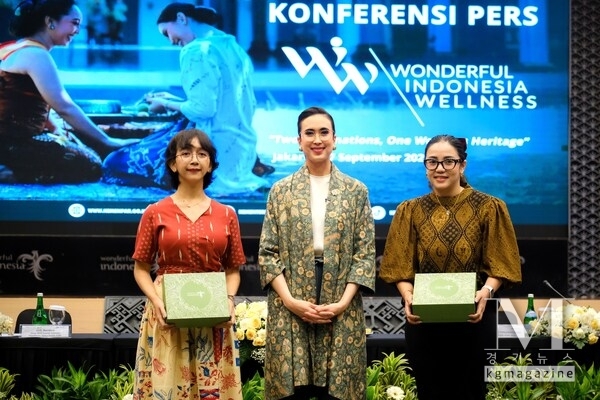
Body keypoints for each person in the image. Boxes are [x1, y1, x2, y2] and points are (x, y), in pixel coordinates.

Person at [379, 134, 522, 400]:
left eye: (448, 161)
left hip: (474, 319)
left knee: (472, 392)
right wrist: (408, 296)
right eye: (432, 162)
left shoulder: (489, 207)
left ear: (462, 165)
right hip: (424, 322)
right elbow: (398, 265)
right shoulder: (409, 210)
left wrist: (487, 292)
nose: (440, 168)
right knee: (430, 392)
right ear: (425, 166)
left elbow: (502, 263)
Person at [258, 106, 376, 400]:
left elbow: (364, 254)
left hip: (341, 297)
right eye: (309, 133)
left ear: (335, 139)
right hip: (291, 297)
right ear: (299, 141)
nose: (317, 139)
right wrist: (291, 301)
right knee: (292, 390)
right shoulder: (280, 191)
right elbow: (268, 253)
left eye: (324, 132)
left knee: (338, 390)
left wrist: (342, 304)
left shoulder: (356, 191)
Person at [103, 3, 274, 196]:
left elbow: (203, 110)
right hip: (241, 147)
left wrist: (164, 103)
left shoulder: (195, 51)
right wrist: (173, 100)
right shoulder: (233, 47)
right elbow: (222, 102)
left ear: (181, 18)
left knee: (114, 162)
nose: (171, 41)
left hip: (212, 147)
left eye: (167, 33)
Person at [131, 128, 244, 399]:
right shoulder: (154, 212)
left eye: (202, 154)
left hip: (213, 312)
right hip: (167, 312)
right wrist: (157, 301)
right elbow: (141, 269)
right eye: (186, 153)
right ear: (173, 164)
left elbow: (233, 270)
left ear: (210, 164)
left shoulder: (227, 214)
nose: (194, 160)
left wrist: (229, 300)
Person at [0, 0, 136, 183]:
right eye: (74, 23)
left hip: (8, 139)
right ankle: (9, 172)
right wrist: (108, 141)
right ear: (50, 22)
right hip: (12, 143)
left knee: (77, 145)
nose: (77, 31)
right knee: (92, 165)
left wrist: (56, 129)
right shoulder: (37, 55)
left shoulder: (10, 48)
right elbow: (64, 107)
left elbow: (24, 101)